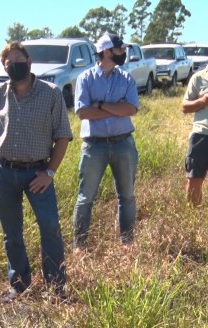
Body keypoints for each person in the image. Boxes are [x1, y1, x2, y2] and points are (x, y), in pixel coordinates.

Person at [0, 41, 73, 302]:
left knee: (50, 226)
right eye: (8, 63)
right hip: (4, 171)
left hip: (38, 172)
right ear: (4, 67)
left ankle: (56, 286)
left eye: (19, 61)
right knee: (11, 231)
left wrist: (49, 172)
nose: (14, 66)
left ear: (29, 63)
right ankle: (19, 284)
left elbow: (62, 136)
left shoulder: (51, 93)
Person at [72, 33, 139, 253]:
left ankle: (127, 243)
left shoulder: (126, 78)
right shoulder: (85, 78)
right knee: (85, 197)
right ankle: (80, 246)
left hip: (123, 144)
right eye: (120, 49)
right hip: (94, 146)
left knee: (127, 195)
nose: (123, 53)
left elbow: (130, 109)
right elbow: (83, 112)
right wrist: (114, 107)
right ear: (107, 51)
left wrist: (99, 105)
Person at [181, 48, 208, 207]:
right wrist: (204, 101)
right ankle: (193, 214)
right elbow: (185, 107)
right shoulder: (198, 78)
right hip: (202, 134)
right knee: (194, 179)